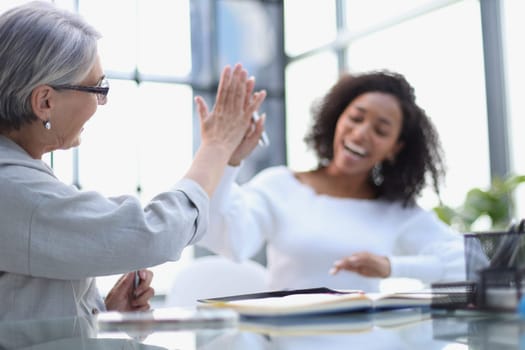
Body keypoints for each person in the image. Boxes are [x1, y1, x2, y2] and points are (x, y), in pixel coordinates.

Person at [0, 1, 266, 321]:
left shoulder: (21, 175)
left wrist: (100, 310)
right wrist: (216, 148)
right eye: (98, 88)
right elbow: (150, 233)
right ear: (45, 101)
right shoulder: (13, 188)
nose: (103, 102)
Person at [198, 70, 465, 292]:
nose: (360, 134)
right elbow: (228, 240)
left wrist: (392, 267)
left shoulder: (396, 211)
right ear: (338, 118)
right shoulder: (280, 185)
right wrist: (228, 159)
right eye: (356, 118)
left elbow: (474, 261)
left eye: (380, 130)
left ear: (395, 147)